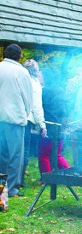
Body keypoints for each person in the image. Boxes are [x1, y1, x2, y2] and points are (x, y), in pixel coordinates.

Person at [0, 44, 33, 198]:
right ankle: (12, 188)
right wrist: (25, 115)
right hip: (14, 119)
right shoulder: (22, 72)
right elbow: (28, 97)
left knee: (2, 154)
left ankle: (1, 185)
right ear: (19, 56)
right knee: (15, 156)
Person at [20, 59, 47, 187]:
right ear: (35, 70)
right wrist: (42, 125)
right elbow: (36, 106)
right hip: (26, 119)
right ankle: (19, 180)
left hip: (11, 118)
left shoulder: (18, 79)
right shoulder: (35, 84)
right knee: (23, 150)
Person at [39, 68, 70, 174]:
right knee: (57, 154)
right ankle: (70, 173)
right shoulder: (61, 90)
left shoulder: (44, 91)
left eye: (42, 75)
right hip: (60, 126)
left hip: (49, 126)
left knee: (44, 155)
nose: (40, 77)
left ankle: (46, 178)